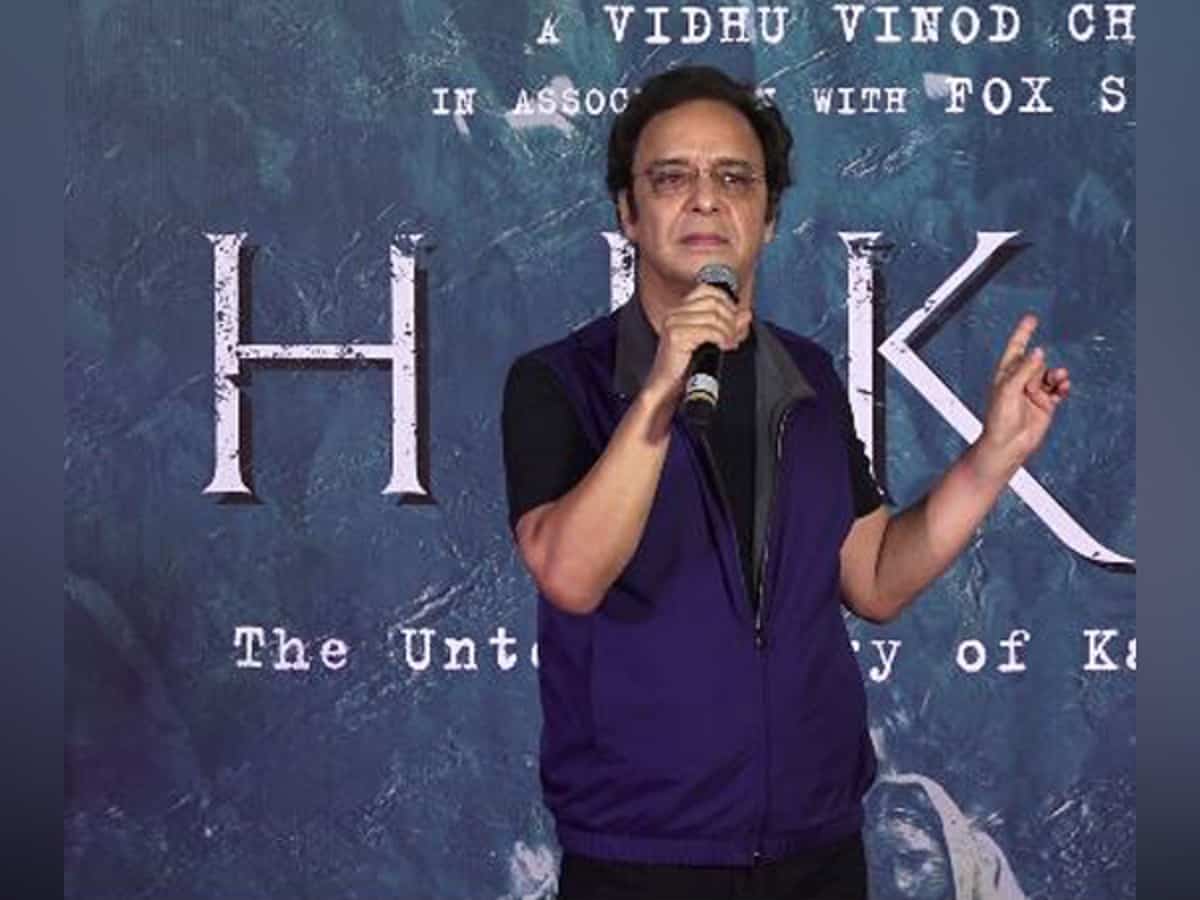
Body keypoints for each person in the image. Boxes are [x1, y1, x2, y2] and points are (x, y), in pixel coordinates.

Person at [500, 65, 1070, 900]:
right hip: (641, 860)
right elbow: (570, 573)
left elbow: (875, 577)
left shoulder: (804, 376)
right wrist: (659, 391)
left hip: (816, 852)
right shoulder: (558, 383)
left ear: (768, 217)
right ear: (628, 212)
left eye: (735, 179)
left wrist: (994, 456)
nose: (706, 199)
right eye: (672, 178)